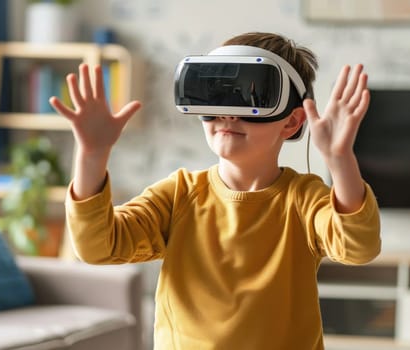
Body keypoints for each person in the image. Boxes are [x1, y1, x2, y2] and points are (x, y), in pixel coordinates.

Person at [49, 32, 381, 350]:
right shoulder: (177, 195)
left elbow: (358, 247)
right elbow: (96, 247)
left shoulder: (304, 200)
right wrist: (92, 157)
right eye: (215, 95)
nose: (225, 114)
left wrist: (340, 161)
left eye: (250, 97)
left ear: (291, 122)